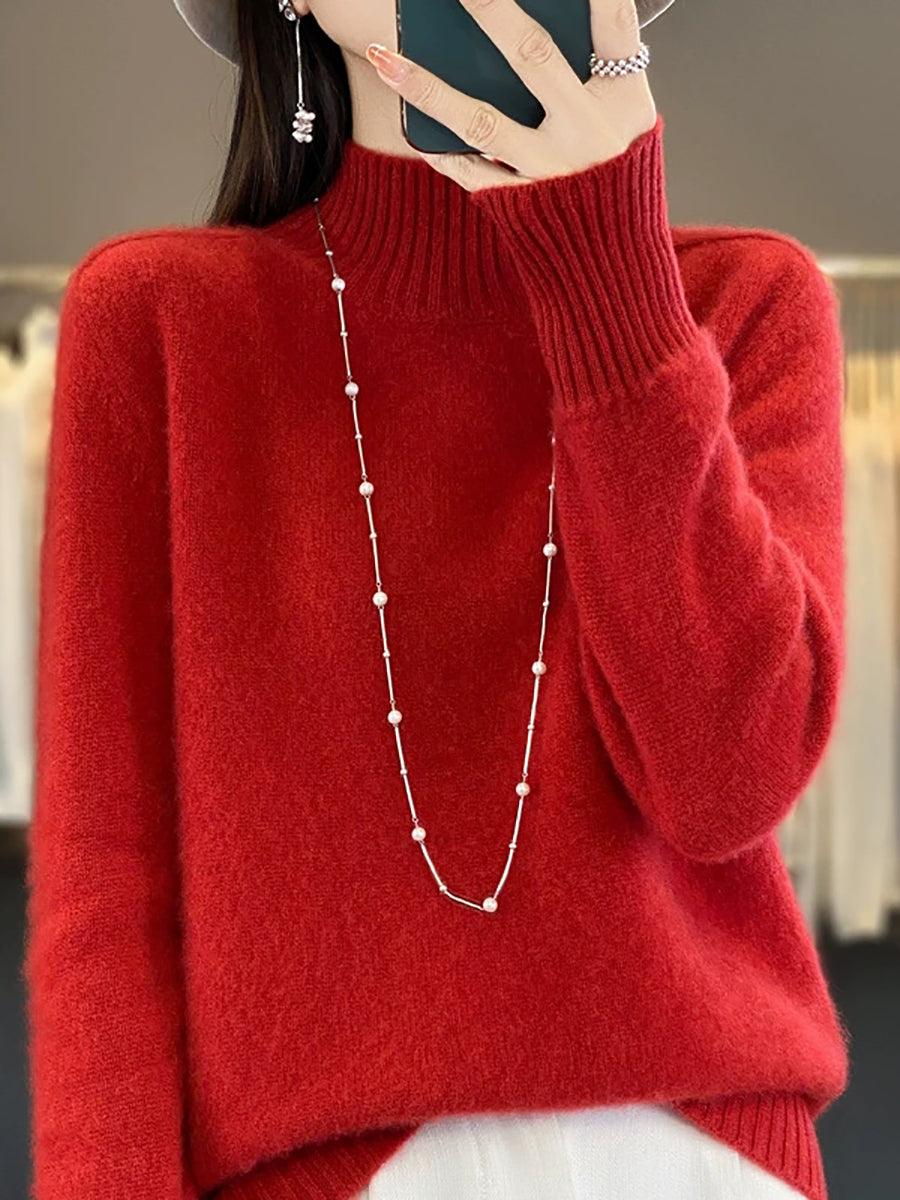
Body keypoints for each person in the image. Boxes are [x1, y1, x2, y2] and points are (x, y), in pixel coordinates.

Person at [23, 2, 851, 1199]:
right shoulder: (160, 322)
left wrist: (611, 280)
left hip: (707, 1160)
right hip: (334, 1172)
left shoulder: (744, 303)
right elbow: (108, 880)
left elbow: (728, 779)